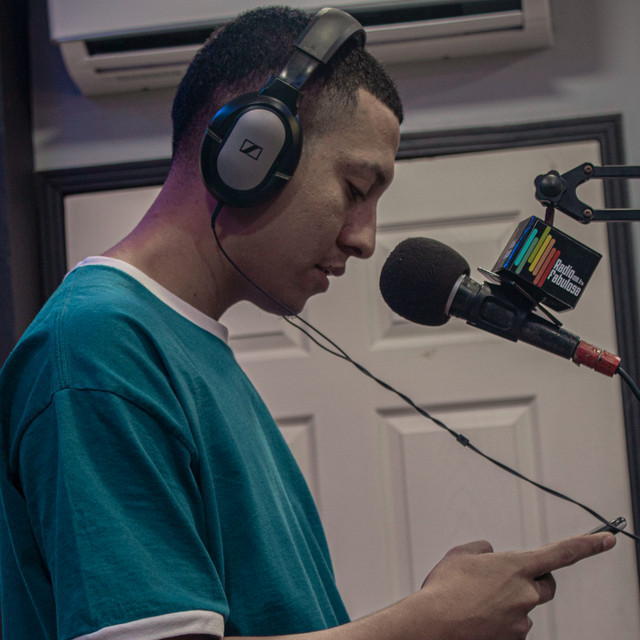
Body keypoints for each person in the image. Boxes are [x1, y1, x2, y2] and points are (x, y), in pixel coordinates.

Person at [0, 6, 615, 640]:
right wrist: (429, 624)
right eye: (355, 189)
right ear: (249, 152)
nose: (365, 240)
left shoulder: (177, 344)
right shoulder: (98, 346)